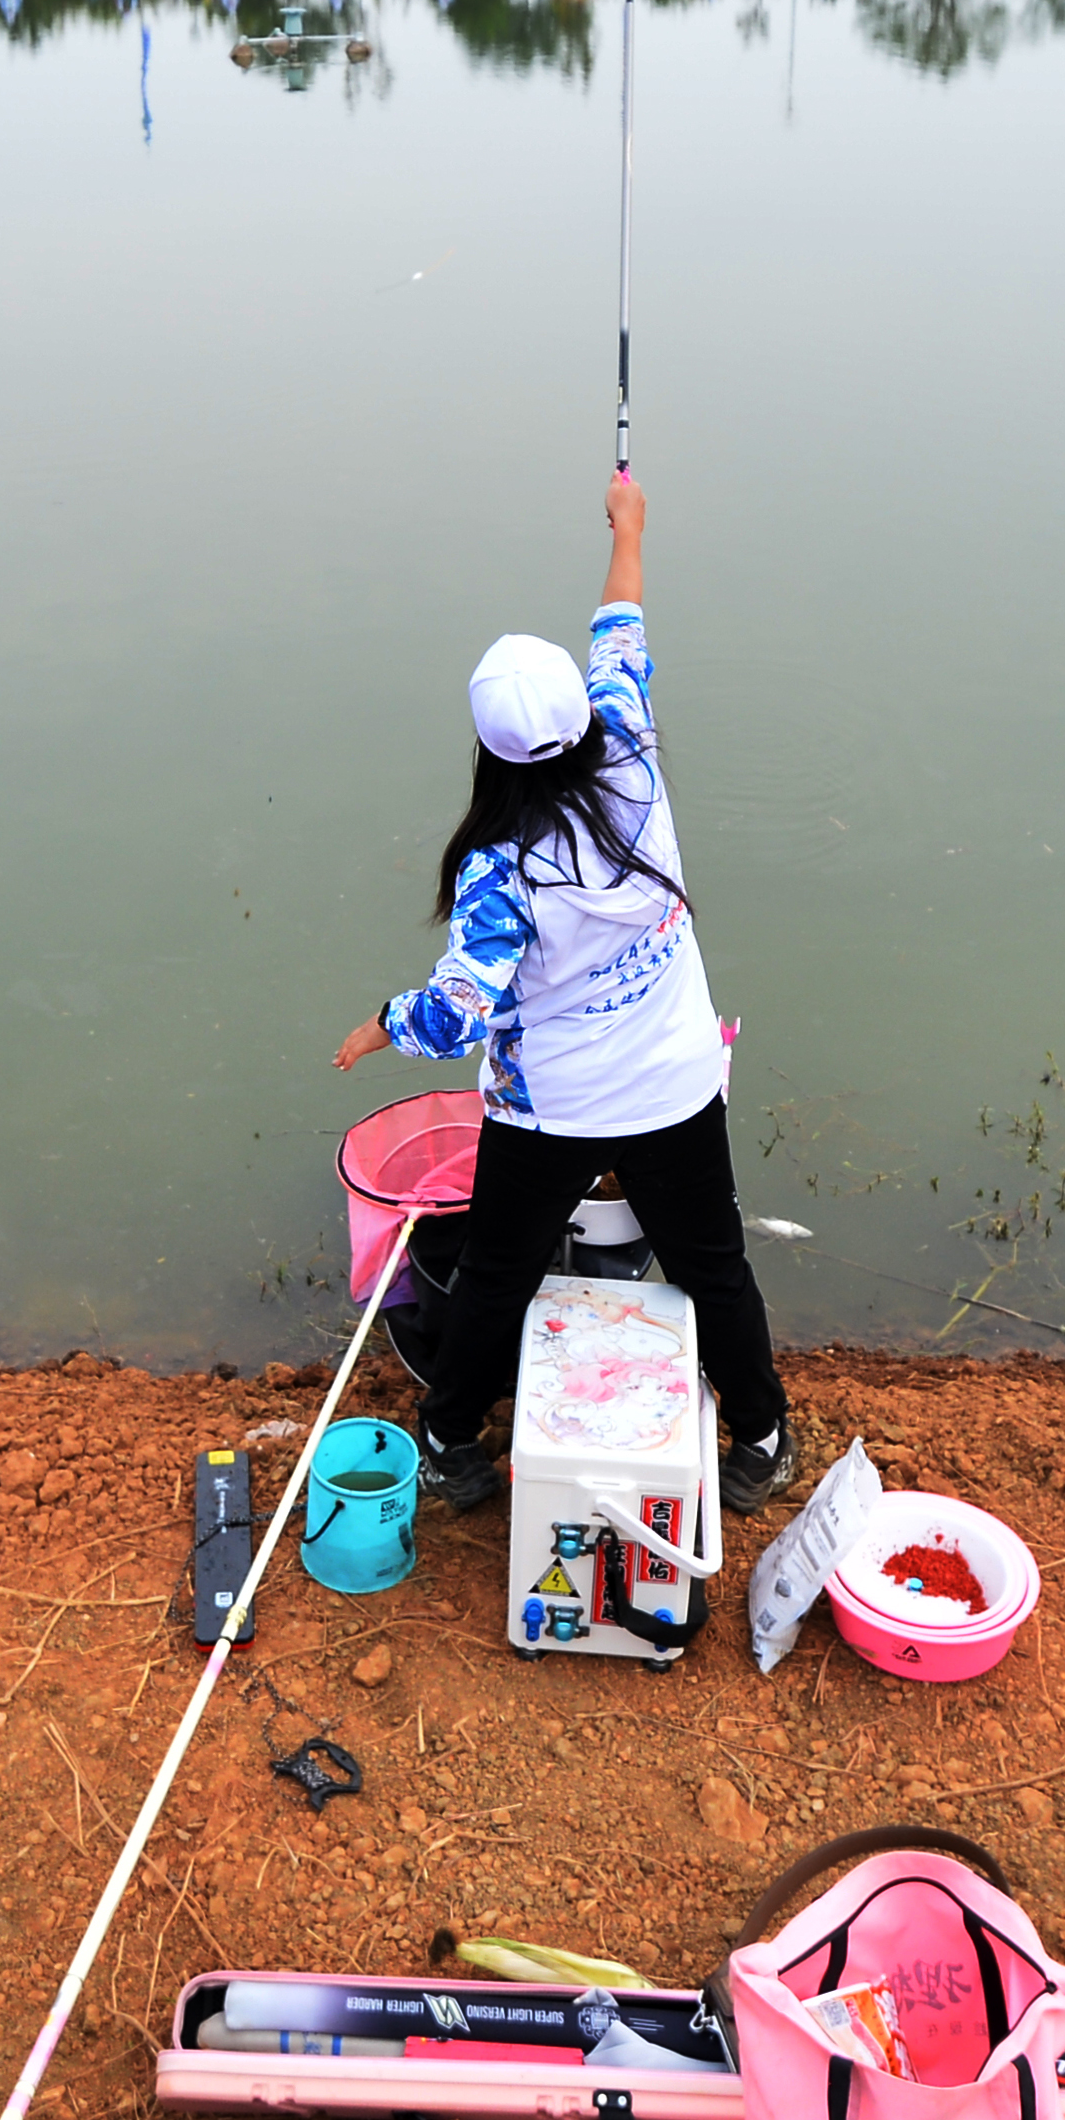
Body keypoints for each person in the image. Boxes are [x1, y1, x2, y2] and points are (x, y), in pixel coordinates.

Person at [329, 474, 795, 1518]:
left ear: (487, 752)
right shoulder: (630, 745)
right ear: (582, 717)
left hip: (555, 1111)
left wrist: (379, 1025)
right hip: (676, 1085)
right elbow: (621, 625)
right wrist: (629, 524)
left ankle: (451, 1447)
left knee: (499, 1272)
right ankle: (762, 1436)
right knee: (714, 1266)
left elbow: (457, 1015)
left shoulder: (500, 870)